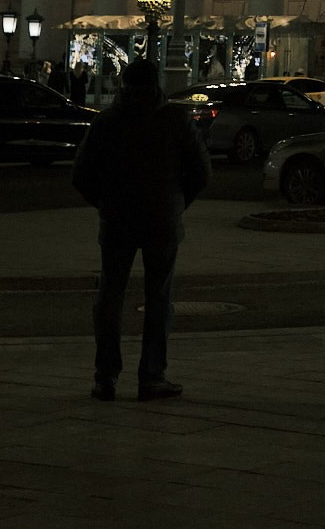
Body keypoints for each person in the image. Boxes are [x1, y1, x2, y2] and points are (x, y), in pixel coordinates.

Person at [71, 57, 212, 402]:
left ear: (124, 85)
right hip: (162, 219)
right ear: (156, 83)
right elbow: (202, 171)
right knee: (158, 298)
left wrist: (104, 202)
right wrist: (177, 202)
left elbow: (81, 175)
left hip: (118, 218)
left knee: (110, 296)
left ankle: (106, 377)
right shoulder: (175, 120)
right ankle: (152, 376)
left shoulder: (107, 122)